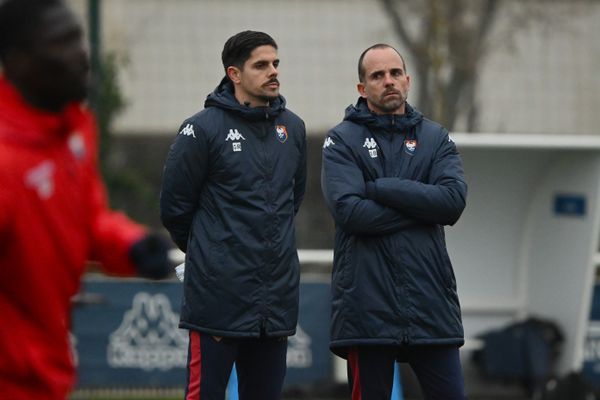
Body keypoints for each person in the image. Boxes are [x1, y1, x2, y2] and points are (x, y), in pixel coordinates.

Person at [0, 0, 172, 399]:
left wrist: (129, 244)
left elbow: (87, 218)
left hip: (45, 372)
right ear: (20, 62)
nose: (82, 54)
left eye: (78, 37)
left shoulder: (73, 133)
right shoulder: (7, 158)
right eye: (62, 42)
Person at [160, 30, 307, 399]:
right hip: (217, 303)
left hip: (274, 304)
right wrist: (215, 256)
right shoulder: (202, 129)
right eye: (261, 65)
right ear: (234, 74)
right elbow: (175, 209)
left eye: (275, 63)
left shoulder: (295, 128)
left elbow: (293, 201)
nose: (273, 71)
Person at [321, 43, 468, 399]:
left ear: (408, 79)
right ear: (362, 88)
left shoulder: (435, 138)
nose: (388, 81)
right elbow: (351, 213)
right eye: (377, 75)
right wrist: (420, 206)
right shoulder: (341, 140)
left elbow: (451, 204)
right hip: (366, 308)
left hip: (431, 302)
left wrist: (382, 188)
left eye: (394, 73)